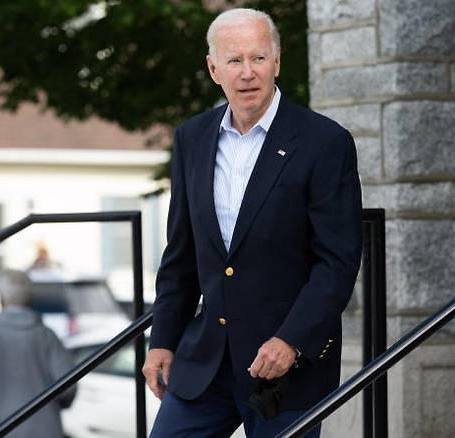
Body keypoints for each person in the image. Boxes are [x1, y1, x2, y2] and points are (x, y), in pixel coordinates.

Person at [142, 8, 362, 437]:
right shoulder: (192, 138)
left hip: (282, 366)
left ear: (277, 63)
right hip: (207, 362)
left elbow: (337, 261)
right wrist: (162, 340)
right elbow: (181, 254)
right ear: (213, 68)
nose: (248, 73)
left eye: (258, 58)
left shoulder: (324, 142)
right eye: (234, 60)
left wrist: (292, 340)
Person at [0, 269, 76, 437]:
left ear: (1, 299)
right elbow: (68, 386)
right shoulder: (46, 335)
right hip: (44, 429)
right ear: (30, 298)